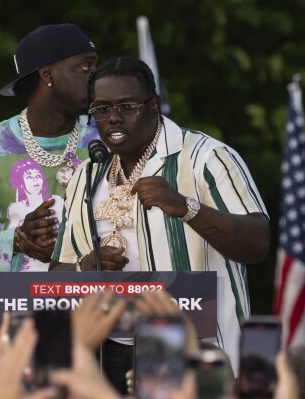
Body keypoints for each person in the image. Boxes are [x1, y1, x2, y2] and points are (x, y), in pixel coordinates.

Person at [51, 56, 270, 393]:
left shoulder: (205, 157)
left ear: (154, 105)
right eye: (102, 109)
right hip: (107, 355)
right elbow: (56, 274)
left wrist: (186, 208)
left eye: (127, 106)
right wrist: (85, 267)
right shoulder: (86, 174)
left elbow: (257, 243)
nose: (114, 119)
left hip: (199, 352)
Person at [0, 23, 100, 276]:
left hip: (101, 306)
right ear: (48, 75)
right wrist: (17, 241)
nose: (96, 76)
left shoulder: (107, 141)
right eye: (85, 67)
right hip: (19, 310)